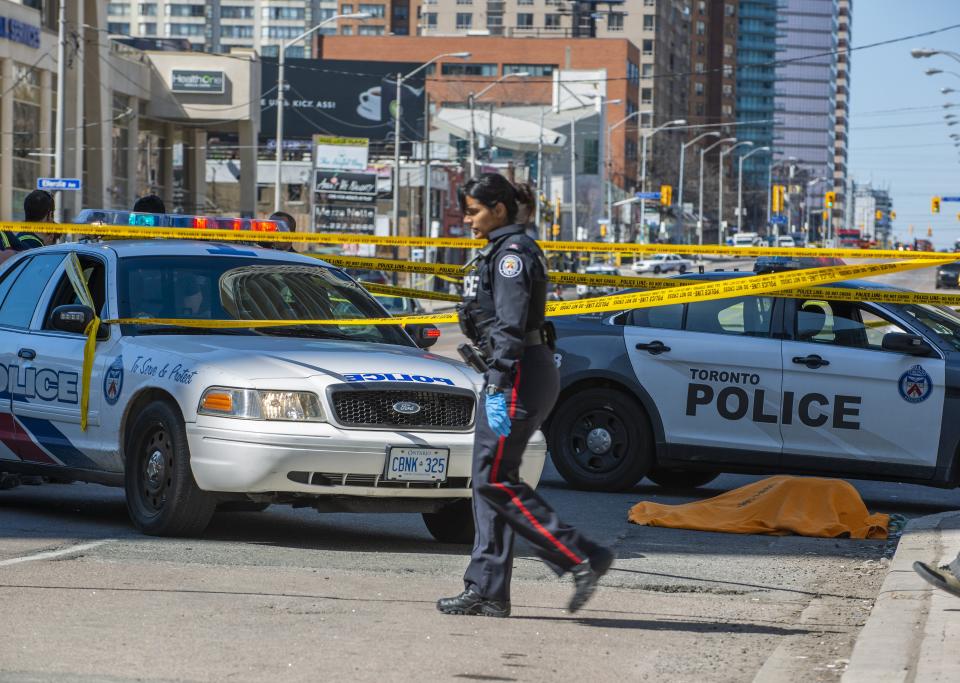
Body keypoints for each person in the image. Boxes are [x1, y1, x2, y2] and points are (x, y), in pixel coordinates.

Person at [438, 173, 613, 618]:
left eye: (475, 211)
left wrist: (497, 381)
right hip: (512, 370)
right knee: (487, 481)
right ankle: (487, 590)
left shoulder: (512, 255)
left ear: (499, 209)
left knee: (494, 479)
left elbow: (511, 325)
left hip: (515, 374)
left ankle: (578, 554)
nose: (468, 219)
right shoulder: (500, 250)